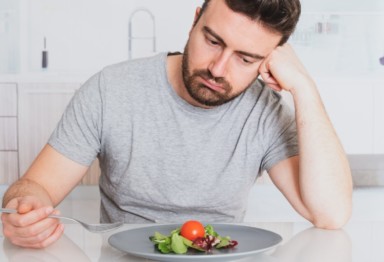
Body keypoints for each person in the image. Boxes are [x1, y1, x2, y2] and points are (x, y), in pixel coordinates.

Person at [1, 0, 352, 248]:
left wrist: (304, 87)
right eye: (212, 41)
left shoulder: (265, 111)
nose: (218, 68)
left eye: (245, 59)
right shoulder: (110, 89)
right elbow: (34, 186)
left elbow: (331, 214)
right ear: (194, 21)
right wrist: (24, 211)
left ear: (270, 59)